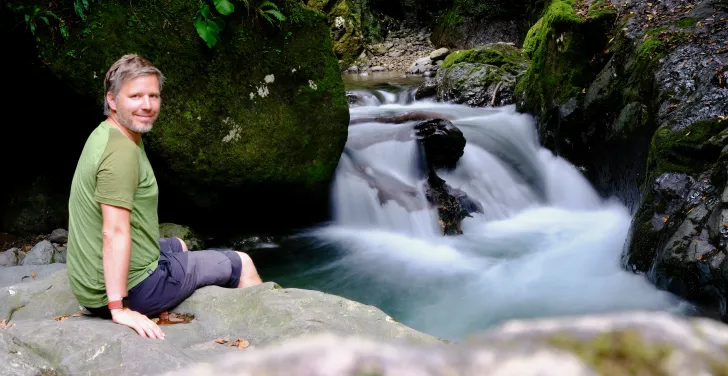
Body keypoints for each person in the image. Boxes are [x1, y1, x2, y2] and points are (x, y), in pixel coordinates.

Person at [66, 54, 263, 339]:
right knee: (242, 262)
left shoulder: (108, 134)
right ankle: (265, 344)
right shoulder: (120, 153)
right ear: (112, 100)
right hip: (131, 289)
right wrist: (118, 308)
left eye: (153, 96)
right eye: (135, 96)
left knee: (179, 245)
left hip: (90, 279)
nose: (147, 105)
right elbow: (114, 232)